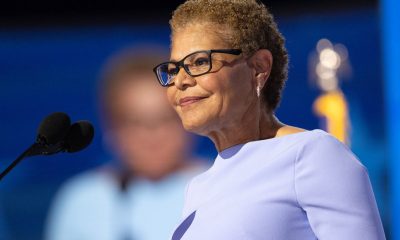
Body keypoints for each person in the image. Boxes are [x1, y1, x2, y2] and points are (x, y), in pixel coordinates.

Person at [152, 0, 386, 239]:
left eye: (200, 62)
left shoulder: (311, 154)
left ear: (258, 67)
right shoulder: (198, 187)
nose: (180, 81)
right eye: (173, 69)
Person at [45, 47, 207, 240]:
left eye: (166, 118)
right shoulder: (83, 200)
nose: (152, 136)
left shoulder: (224, 188)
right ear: (111, 128)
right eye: (136, 122)